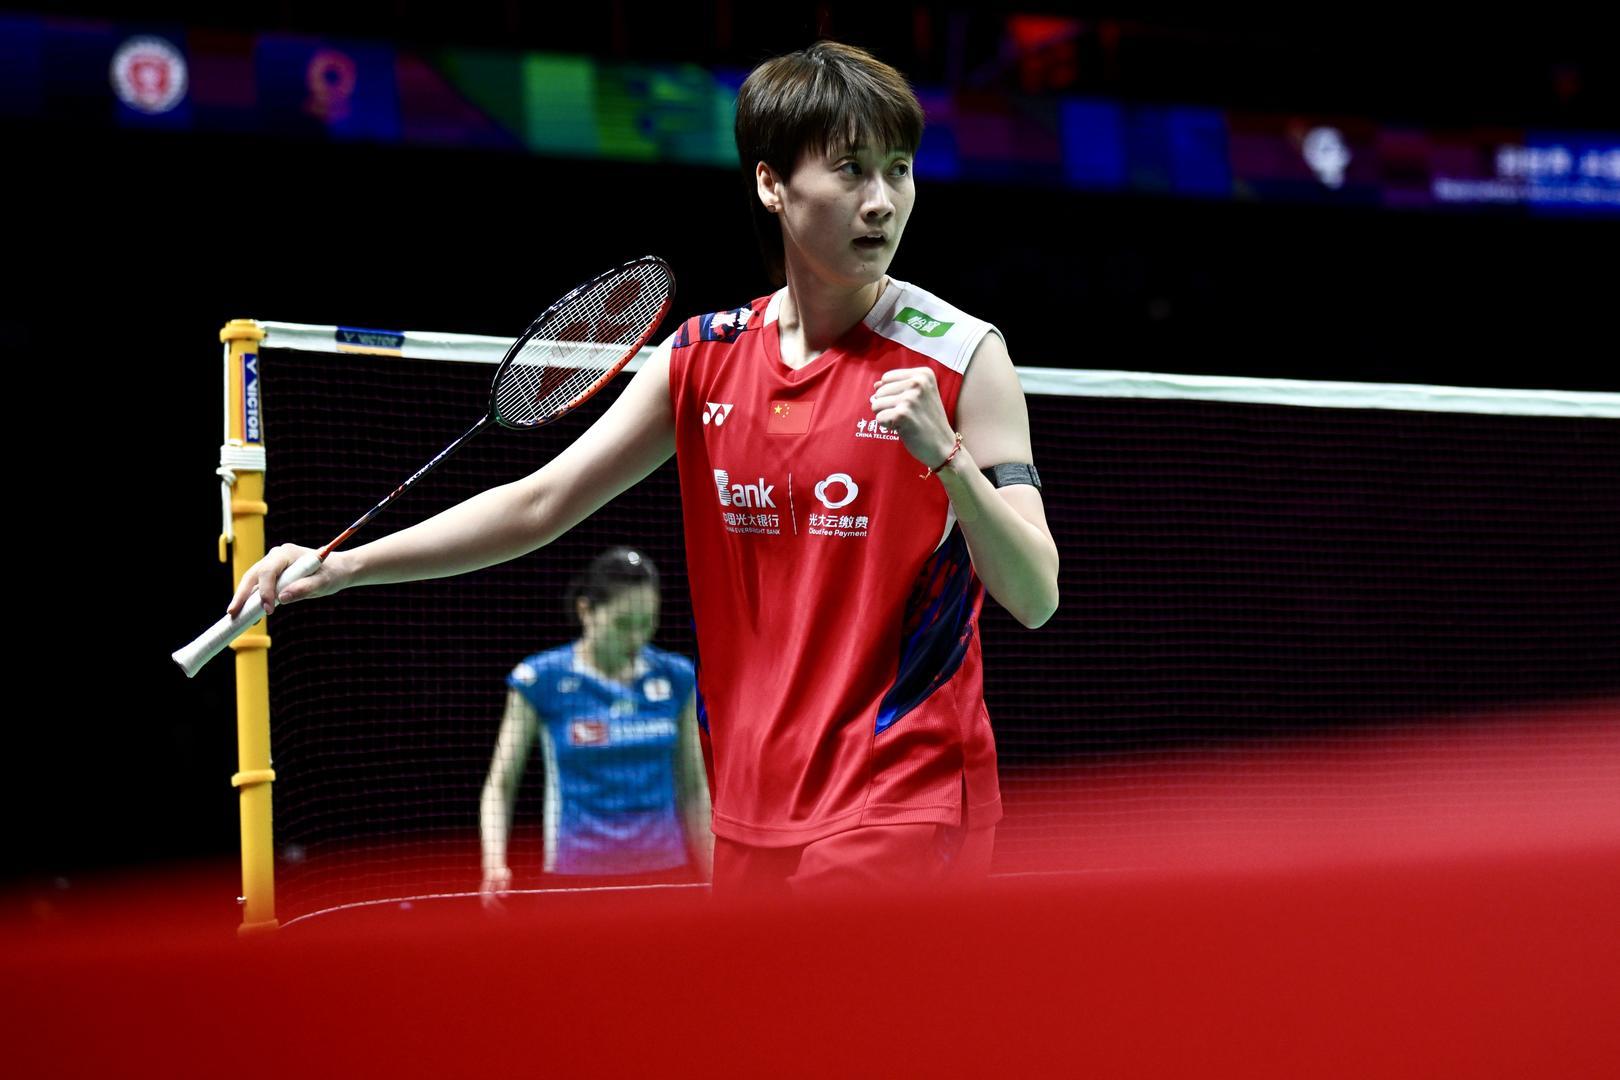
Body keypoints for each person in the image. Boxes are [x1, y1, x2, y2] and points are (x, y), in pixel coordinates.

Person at [230, 40, 1058, 897]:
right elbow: (540, 502)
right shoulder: (702, 359)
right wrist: (343, 566)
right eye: (850, 169)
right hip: (752, 798)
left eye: (898, 169)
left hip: (903, 789)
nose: (881, 201)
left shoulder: (962, 358)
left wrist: (949, 460)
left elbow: (1036, 594)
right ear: (772, 184)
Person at [479, 547, 709, 905]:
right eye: (623, 624)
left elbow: (693, 788)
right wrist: (494, 864)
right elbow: (501, 784)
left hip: (664, 878)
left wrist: (714, 876)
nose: (636, 638)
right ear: (586, 611)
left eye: (647, 623)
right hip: (575, 879)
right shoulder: (540, 679)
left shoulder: (676, 677)